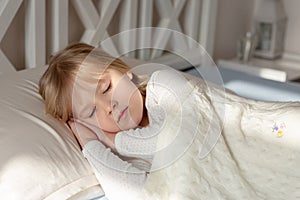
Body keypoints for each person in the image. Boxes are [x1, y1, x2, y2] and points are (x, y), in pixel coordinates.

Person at [39, 42, 300, 200]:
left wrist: (114, 140)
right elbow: (137, 196)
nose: (109, 106)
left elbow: (170, 141)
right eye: (90, 112)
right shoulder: (129, 159)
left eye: (106, 88)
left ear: (125, 71)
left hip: (274, 132)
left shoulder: (164, 86)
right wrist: (92, 146)